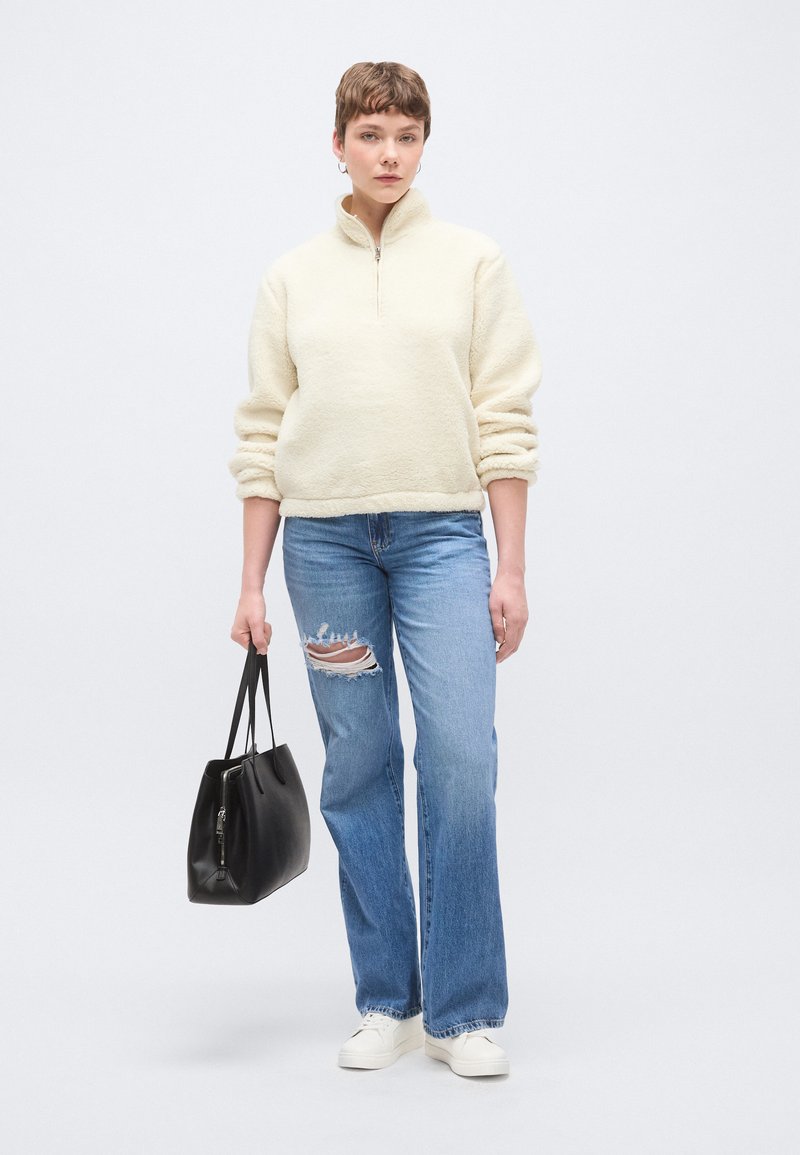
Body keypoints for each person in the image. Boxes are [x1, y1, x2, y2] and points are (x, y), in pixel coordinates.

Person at [228, 60, 542, 1079]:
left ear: (423, 144)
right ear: (338, 146)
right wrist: (249, 584)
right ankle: (387, 1001)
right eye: (370, 135)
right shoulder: (291, 277)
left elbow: (504, 417)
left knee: (460, 758)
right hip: (323, 547)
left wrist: (510, 567)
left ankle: (462, 1009)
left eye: (406, 136)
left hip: (442, 536)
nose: (389, 154)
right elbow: (262, 434)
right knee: (359, 766)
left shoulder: (471, 262)